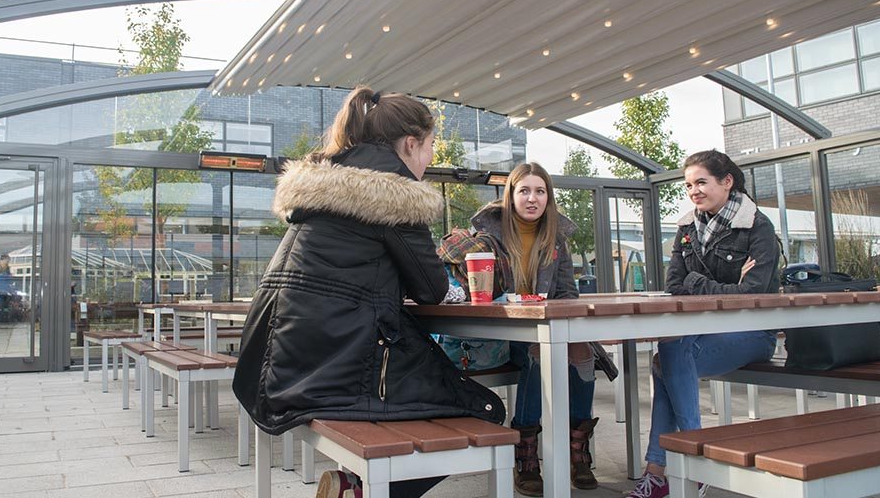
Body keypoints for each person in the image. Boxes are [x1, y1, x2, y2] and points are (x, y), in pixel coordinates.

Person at [232, 87, 505, 498]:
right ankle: (361, 492)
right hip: (336, 364)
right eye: (430, 147)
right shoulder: (393, 194)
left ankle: (356, 487)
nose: (430, 159)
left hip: (278, 363)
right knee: (488, 411)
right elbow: (430, 289)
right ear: (411, 143)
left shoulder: (322, 186)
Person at [627, 149, 780, 498]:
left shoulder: (757, 226)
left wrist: (698, 282)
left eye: (701, 182)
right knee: (668, 350)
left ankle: (672, 468)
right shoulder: (687, 227)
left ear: (726, 182)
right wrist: (724, 287)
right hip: (705, 331)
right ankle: (680, 468)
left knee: (667, 356)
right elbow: (674, 286)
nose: (694, 190)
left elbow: (752, 293)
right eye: (688, 184)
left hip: (755, 332)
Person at [469, 162, 600, 494]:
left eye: (539, 191)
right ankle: (526, 451)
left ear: (548, 197)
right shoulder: (488, 237)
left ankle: (577, 449)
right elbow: (475, 289)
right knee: (536, 351)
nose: (532, 198)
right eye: (524, 190)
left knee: (584, 351)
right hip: (503, 331)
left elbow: (568, 293)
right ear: (510, 195)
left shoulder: (556, 239)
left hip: (546, 326)